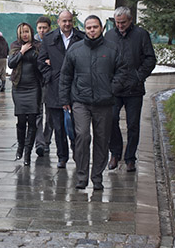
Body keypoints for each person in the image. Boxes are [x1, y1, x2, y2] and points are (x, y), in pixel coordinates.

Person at [59, 15, 127, 190]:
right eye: (88, 27)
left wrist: (112, 88)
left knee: (102, 140)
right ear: (85, 29)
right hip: (80, 100)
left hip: (104, 102)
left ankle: (97, 177)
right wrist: (65, 99)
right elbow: (65, 75)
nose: (91, 30)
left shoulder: (112, 49)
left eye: (95, 27)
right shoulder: (75, 49)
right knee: (82, 136)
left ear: (101, 28)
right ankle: (81, 176)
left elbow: (122, 71)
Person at [105, 6, 156, 172]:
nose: (120, 25)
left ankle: (130, 157)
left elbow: (150, 59)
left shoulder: (141, 35)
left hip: (134, 88)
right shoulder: (109, 35)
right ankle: (115, 152)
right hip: (115, 87)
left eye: (123, 23)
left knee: (133, 124)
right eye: (117, 22)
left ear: (130, 20)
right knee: (111, 119)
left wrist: (138, 76)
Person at [37, 10, 85, 169]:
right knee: (58, 127)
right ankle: (62, 156)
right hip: (55, 88)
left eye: (69, 21)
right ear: (58, 22)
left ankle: (78, 155)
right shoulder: (49, 39)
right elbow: (41, 62)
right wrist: (50, 75)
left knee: (78, 126)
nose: (67, 24)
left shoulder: (81, 38)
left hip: (76, 88)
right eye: (64, 21)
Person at [8, 22, 42, 166]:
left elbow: (40, 63)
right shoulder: (15, 46)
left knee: (33, 120)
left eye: (27, 31)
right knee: (21, 120)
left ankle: (28, 152)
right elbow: (11, 64)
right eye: (22, 32)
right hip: (19, 87)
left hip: (34, 87)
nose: (25, 34)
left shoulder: (38, 46)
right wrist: (22, 52)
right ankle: (20, 146)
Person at [33, 16, 52, 157]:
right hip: (35, 82)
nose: (42, 30)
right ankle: (40, 142)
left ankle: (47, 140)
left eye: (44, 27)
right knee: (38, 113)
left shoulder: (52, 41)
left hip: (49, 81)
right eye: (40, 28)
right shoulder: (32, 43)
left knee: (50, 114)